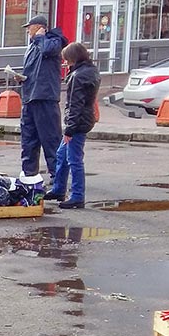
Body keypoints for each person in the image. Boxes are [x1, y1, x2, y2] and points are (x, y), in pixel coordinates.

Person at [45, 42, 100, 210]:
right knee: (62, 155)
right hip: (83, 120)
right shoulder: (91, 72)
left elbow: (75, 105)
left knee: (74, 159)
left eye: (67, 60)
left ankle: (77, 196)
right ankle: (59, 189)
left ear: (73, 59)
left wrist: (69, 129)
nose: (65, 63)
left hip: (77, 123)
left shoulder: (78, 77)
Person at [13, 14, 66, 182]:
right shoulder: (32, 46)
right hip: (30, 96)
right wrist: (21, 77)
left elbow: (48, 50)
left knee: (50, 139)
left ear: (40, 27)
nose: (28, 30)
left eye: (30, 27)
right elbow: (31, 70)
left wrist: (41, 37)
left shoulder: (52, 41)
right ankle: (29, 175)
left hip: (45, 97)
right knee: (28, 139)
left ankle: (57, 177)